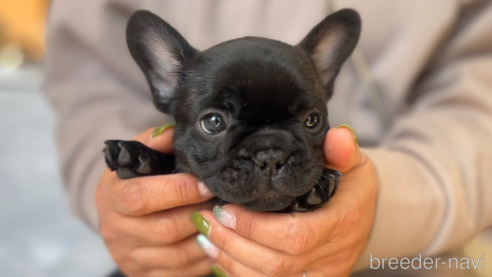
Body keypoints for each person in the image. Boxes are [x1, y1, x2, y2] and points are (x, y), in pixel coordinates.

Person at [43, 0, 492, 276]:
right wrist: (125, 200)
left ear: (324, 80)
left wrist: (392, 206)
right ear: (166, 85)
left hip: (411, 261)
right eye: (216, 123)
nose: (270, 158)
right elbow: (88, 82)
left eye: (309, 122)